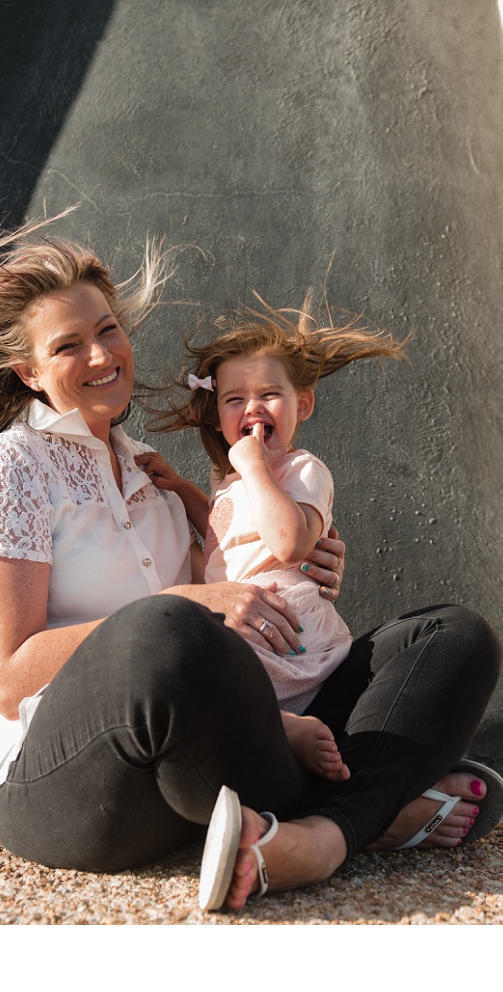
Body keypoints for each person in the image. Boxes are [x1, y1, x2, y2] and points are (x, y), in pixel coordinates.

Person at [0, 203, 503, 913]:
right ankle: (373, 809)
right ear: (29, 371)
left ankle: (315, 838)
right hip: (72, 787)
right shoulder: (12, 466)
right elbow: (6, 676)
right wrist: (189, 607)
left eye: (109, 330)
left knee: (449, 637)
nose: (101, 356)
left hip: (210, 748)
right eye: (67, 346)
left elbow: (233, 601)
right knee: (165, 633)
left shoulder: (154, 473)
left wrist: (301, 572)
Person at [134, 302, 405, 783]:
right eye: (235, 399)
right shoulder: (234, 483)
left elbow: (289, 543)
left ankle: (287, 729)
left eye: (269, 395)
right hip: (252, 625)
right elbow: (222, 527)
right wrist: (182, 488)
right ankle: (284, 741)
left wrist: (256, 467)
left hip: (285, 627)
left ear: (302, 404)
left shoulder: (302, 471)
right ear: (219, 417)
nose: (252, 408)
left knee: (200, 669)